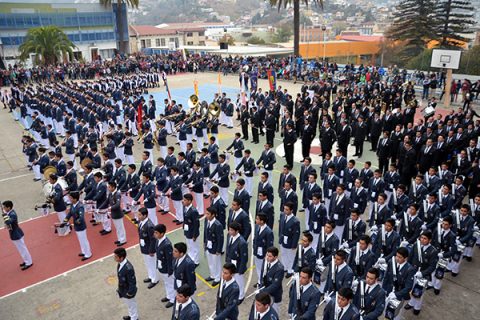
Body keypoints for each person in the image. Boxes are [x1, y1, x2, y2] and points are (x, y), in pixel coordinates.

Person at [382, 247, 416, 320]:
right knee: (386, 309)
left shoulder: (410, 269)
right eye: (396, 256)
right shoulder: (392, 262)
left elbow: (408, 287)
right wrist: (384, 289)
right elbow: (386, 276)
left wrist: (396, 294)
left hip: (400, 295)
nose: (397, 258)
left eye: (400, 257)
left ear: (405, 258)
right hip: (389, 290)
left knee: (397, 314)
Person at [2, 200, 33, 270]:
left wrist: (4, 216)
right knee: (21, 249)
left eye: (4, 207)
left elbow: (8, 221)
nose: (4, 209)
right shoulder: (9, 212)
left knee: (23, 249)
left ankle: (29, 262)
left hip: (16, 234)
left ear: (9, 207)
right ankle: (26, 261)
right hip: (14, 233)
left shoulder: (12, 214)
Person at [61, 192, 92, 261]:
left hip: (81, 226)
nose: (70, 199)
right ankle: (84, 251)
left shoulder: (80, 206)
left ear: (75, 199)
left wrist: (75, 222)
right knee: (80, 240)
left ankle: (88, 254)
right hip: (77, 226)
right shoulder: (73, 205)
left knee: (84, 240)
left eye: (71, 198)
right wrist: (65, 221)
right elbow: (70, 213)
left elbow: (81, 218)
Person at [153, 224, 176, 308]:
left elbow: (170, 259)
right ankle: (169, 296)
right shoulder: (158, 241)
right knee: (166, 283)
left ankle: (173, 299)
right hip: (161, 266)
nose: (154, 234)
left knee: (170, 283)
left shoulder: (167, 244)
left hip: (166, 268)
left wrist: (170, 270)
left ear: (162, 233)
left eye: (156, 233)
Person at [225, 221, 248, 303]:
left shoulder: (242, 242)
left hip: (237, 265)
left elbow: (244, 257)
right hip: (231, 262)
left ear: (237, 231)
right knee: (232, 279)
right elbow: (228, 249)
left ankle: (241, 296)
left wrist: (241, 269)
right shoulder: (229, 236)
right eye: (229, 230)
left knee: (239, 281)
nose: (229, 232)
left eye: (231, 230)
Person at [136, 207, 158, 289]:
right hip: (144, 246)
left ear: (145, 215)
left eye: (140, 215)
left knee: (152, 264)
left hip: (149, 248)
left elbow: (153, 239)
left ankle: (155, 279)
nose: (138, 216)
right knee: (147, 263)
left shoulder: (149, 226)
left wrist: (151, 250)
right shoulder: (140, 222)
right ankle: (150, 276)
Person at [114, 247, 139, 320]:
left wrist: (130, 293)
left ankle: (134, 318)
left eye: (116, 257)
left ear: (121, 258)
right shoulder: (120, 264)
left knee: (132, 304)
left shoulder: (128, 268)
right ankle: (131, 316)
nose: (114, 258)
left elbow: (132, 282)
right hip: (123, 289)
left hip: (128, 291)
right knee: (129, 305)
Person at [279, 202, 301, 278]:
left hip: (290, 241)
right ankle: (285, 267)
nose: (285, 211)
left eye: (287, 210)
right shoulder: (282, 215)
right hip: (283, 239)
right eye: (284, 209)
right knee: (283, 254)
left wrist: (294, 244)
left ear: (291, 210)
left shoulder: (295, 221)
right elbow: (280, 228)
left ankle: (290, 270)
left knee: (290, 256)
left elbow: (296, 234)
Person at [204, 207, 224, 286]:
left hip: (215, 246)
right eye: (206, 213)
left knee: (216, 263)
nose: (206, 215)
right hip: (208, 245)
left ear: (213, 215)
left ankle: (217, 278)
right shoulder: (207, 221)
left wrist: (219, 250)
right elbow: (205, 233)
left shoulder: (217, 225)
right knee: (210, 261)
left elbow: (220, 238)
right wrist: (204, 243)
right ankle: (212, 275)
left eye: (208, 214)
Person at [182, 194, 201, 265]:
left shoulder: (193, 211)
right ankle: (191, 257)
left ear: (190, 201)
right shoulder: (185, 207)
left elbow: (196, 224)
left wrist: (195, 235)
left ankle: (196, 261)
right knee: (189, 246)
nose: (183, 201)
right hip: (187, 231)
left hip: (192, 232)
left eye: (185, 200)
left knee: (195, 247)